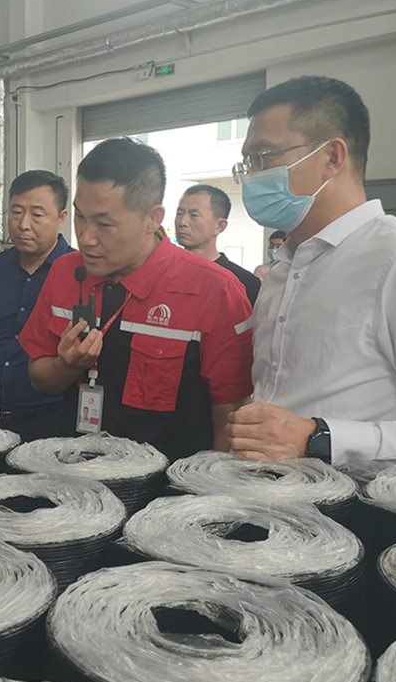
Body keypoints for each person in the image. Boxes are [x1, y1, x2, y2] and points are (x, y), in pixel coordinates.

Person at [225, 76, 396, 480]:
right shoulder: (282, 268)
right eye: (247, 162)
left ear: (332, 156)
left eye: (264, 156)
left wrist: (319, 439)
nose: (252, 175)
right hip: (272, 501)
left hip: (358, 508)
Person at [20, 137, 254, 461]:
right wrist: (66, 366)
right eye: (80, 216)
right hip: (77, 472)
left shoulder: (215, 291)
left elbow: (230, 413)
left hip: (168, 484)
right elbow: (39, 377)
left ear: (153, 218)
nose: (85, 238)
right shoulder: (64, 272)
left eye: (104, 224)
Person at [0, 170, 75, 441]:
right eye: (16, 212)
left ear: (61, 218)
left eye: (37, 215)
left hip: (53, 419)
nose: (23, 224)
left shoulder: (79, 274)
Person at [175, 184, 261, 305]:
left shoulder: (243, 282)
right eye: (179, 214)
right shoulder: (164, 272)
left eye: (193, 215)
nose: (182, 222)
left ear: (220, 226)